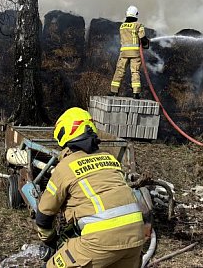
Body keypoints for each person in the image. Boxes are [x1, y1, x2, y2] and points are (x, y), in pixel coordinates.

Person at [36, 107, 145, 268]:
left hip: (99, 241)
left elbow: (44, 214)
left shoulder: (65, 166)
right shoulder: (110, 159)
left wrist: (51, 241)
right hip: (136, 237)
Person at [109, 6, 149, 99]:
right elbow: (142, 38)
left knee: (119, 71)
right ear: (136, 14)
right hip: (135, 53)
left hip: (123, 53)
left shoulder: (122, 26)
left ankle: (114, 91)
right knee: (135, 72)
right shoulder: (139, 25)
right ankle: (136, 93)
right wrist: (146, 43)